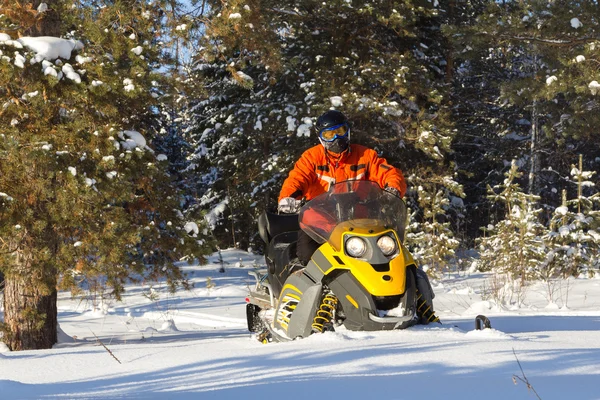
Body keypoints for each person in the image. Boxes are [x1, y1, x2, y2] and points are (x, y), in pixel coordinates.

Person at [278, 110, 407, 265]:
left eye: (340, 131)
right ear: (321, 138)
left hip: (358, 215)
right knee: (307, 254)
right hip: (321, 216)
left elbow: (388, 172)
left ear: (348, 131)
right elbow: (297, 179)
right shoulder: (312, 158)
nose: (337, 138)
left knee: (384, 252)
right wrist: (289, 198)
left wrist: (393, 189)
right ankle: (313, 284)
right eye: (329, 135)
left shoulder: (365, 155)